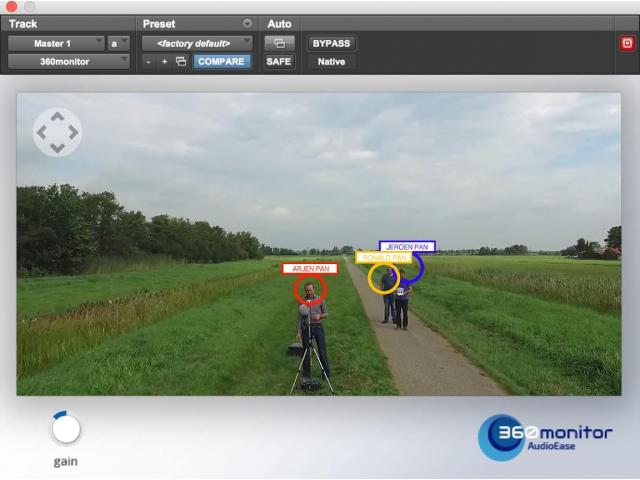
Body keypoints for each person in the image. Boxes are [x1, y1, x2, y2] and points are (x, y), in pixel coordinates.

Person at [296, 282, 330, 379]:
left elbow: (326, 313)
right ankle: (307, 374)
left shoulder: (320, 299)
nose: (309, 292)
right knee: (306, 351)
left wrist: (320, 316)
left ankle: (326, 373)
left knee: (322, 350)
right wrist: (298, 332)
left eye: (311, 290)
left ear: (314, 289)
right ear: (305, 291)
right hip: (306, 328)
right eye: (307, 290)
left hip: (318, 327)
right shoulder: (302, 301)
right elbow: (299, 318)